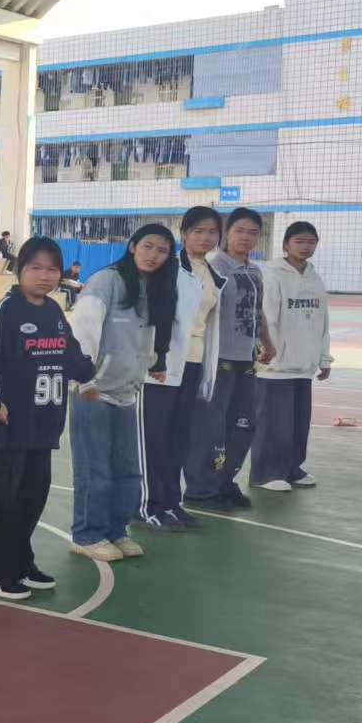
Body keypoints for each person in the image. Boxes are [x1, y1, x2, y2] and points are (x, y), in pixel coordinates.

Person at [0, 237, 94, 597]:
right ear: (20, 270)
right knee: (0, 501)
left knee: (30, 500)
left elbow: (71, 356)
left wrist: (92, 372)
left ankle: (19, 563)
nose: (44, 276)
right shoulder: (7, 310)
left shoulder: (54, 311)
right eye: (35, 268)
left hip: (44, 424)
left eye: (52, 269)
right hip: (8, 425)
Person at [67, 225, 176, 562]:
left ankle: (116, 530)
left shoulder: (153, 288)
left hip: (127, 391)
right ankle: (87, 535)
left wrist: (151, 364)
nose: (153, 255)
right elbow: (83, 333)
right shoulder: (106, 281)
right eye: (148, 246)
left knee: (127, 472)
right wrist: (85, 380)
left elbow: (148, 336)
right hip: (93, 391)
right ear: (132, 246)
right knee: (95, 470)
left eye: (162, 250)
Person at [184, 208, 275, 511]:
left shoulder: (254, 271)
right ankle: (201, 488)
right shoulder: (214, 268)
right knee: (211, 428)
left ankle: (225, 481)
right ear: (227, 233)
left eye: (253, 232)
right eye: (240, 231)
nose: (246, 238)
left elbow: (257, 310)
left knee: (243, 426)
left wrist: (266, 342)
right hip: (217, 359)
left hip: (245, 360)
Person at [138, 208, 217, 530]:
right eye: (198, 231)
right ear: (183, 234)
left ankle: (171, 502)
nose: (205, 237)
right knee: (154, 438)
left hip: (194, 363)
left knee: (178, 437)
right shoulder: (167, 267)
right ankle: (147, 505)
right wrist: (154, 357)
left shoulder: (211, 272)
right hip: (163, 365)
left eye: (212, 232)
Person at [253, 222, 332, 492]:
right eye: (300, 241)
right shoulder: (272, 275)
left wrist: (323, 358)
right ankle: (266, 473)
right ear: (286, 244)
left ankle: (291, 469)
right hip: (276, 366)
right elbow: (268, 320)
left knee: (298, 424)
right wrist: (269, 353)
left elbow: (322, 321)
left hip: (304, 365)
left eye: (311, 242)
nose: (306, 247)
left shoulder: (314, 278)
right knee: (273, 425)